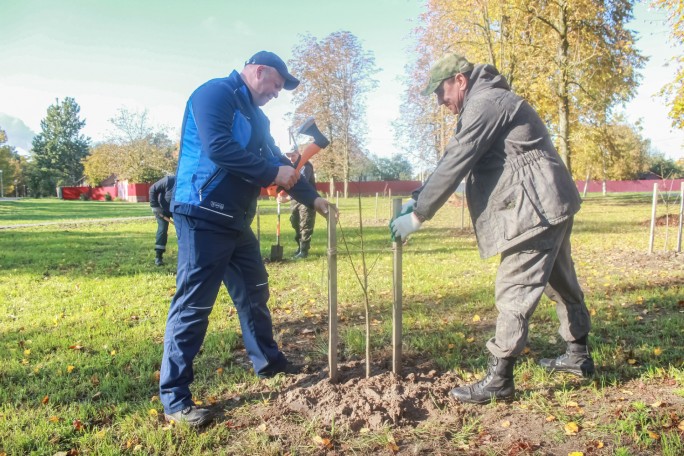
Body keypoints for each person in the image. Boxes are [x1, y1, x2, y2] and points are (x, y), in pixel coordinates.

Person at [390, 53, 593, 405]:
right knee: (561, 281)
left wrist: (418, 215)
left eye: (441, 91)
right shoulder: (490, 99)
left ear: (460, 80)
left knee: (513, 289)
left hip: (533, 209)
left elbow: (457, 158)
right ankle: (577, 355)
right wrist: (418, 198)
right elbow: (455, 159)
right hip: (549, 200)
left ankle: (499, 378)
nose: (440, 101)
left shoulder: (486, 103)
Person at [160, 50, 334, 427]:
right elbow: (219, 148)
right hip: (202, 213)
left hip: (237, 221)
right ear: (258, 71)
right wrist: (272, 170)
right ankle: (175, 399)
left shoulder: (258, 117)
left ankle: (269, 363)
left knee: (255, 291)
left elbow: (280, 163)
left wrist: (315, 199)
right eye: (275, 85)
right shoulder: (214, 94)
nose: (276, 93)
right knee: (193, 305)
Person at [286, 147, 317, 259]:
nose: (290, 158)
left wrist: (287, 197)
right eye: (288, 156)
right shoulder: (290, 166)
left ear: (298, 154)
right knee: (295, 223)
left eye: (292, 155)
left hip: (307, 199)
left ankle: (304, 251)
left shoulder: (305, 166)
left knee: (305, 224)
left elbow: (301, 184)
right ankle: (299, 248)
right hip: (295, 200)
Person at [149, 175, 176, 266]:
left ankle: (186, 256)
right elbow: (152, 189)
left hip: (177, 211)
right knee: (162, 229)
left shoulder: (187, 183)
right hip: (162, 210)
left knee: (183, 231)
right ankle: (158, 256)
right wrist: (154, 206)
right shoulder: (169, 180)